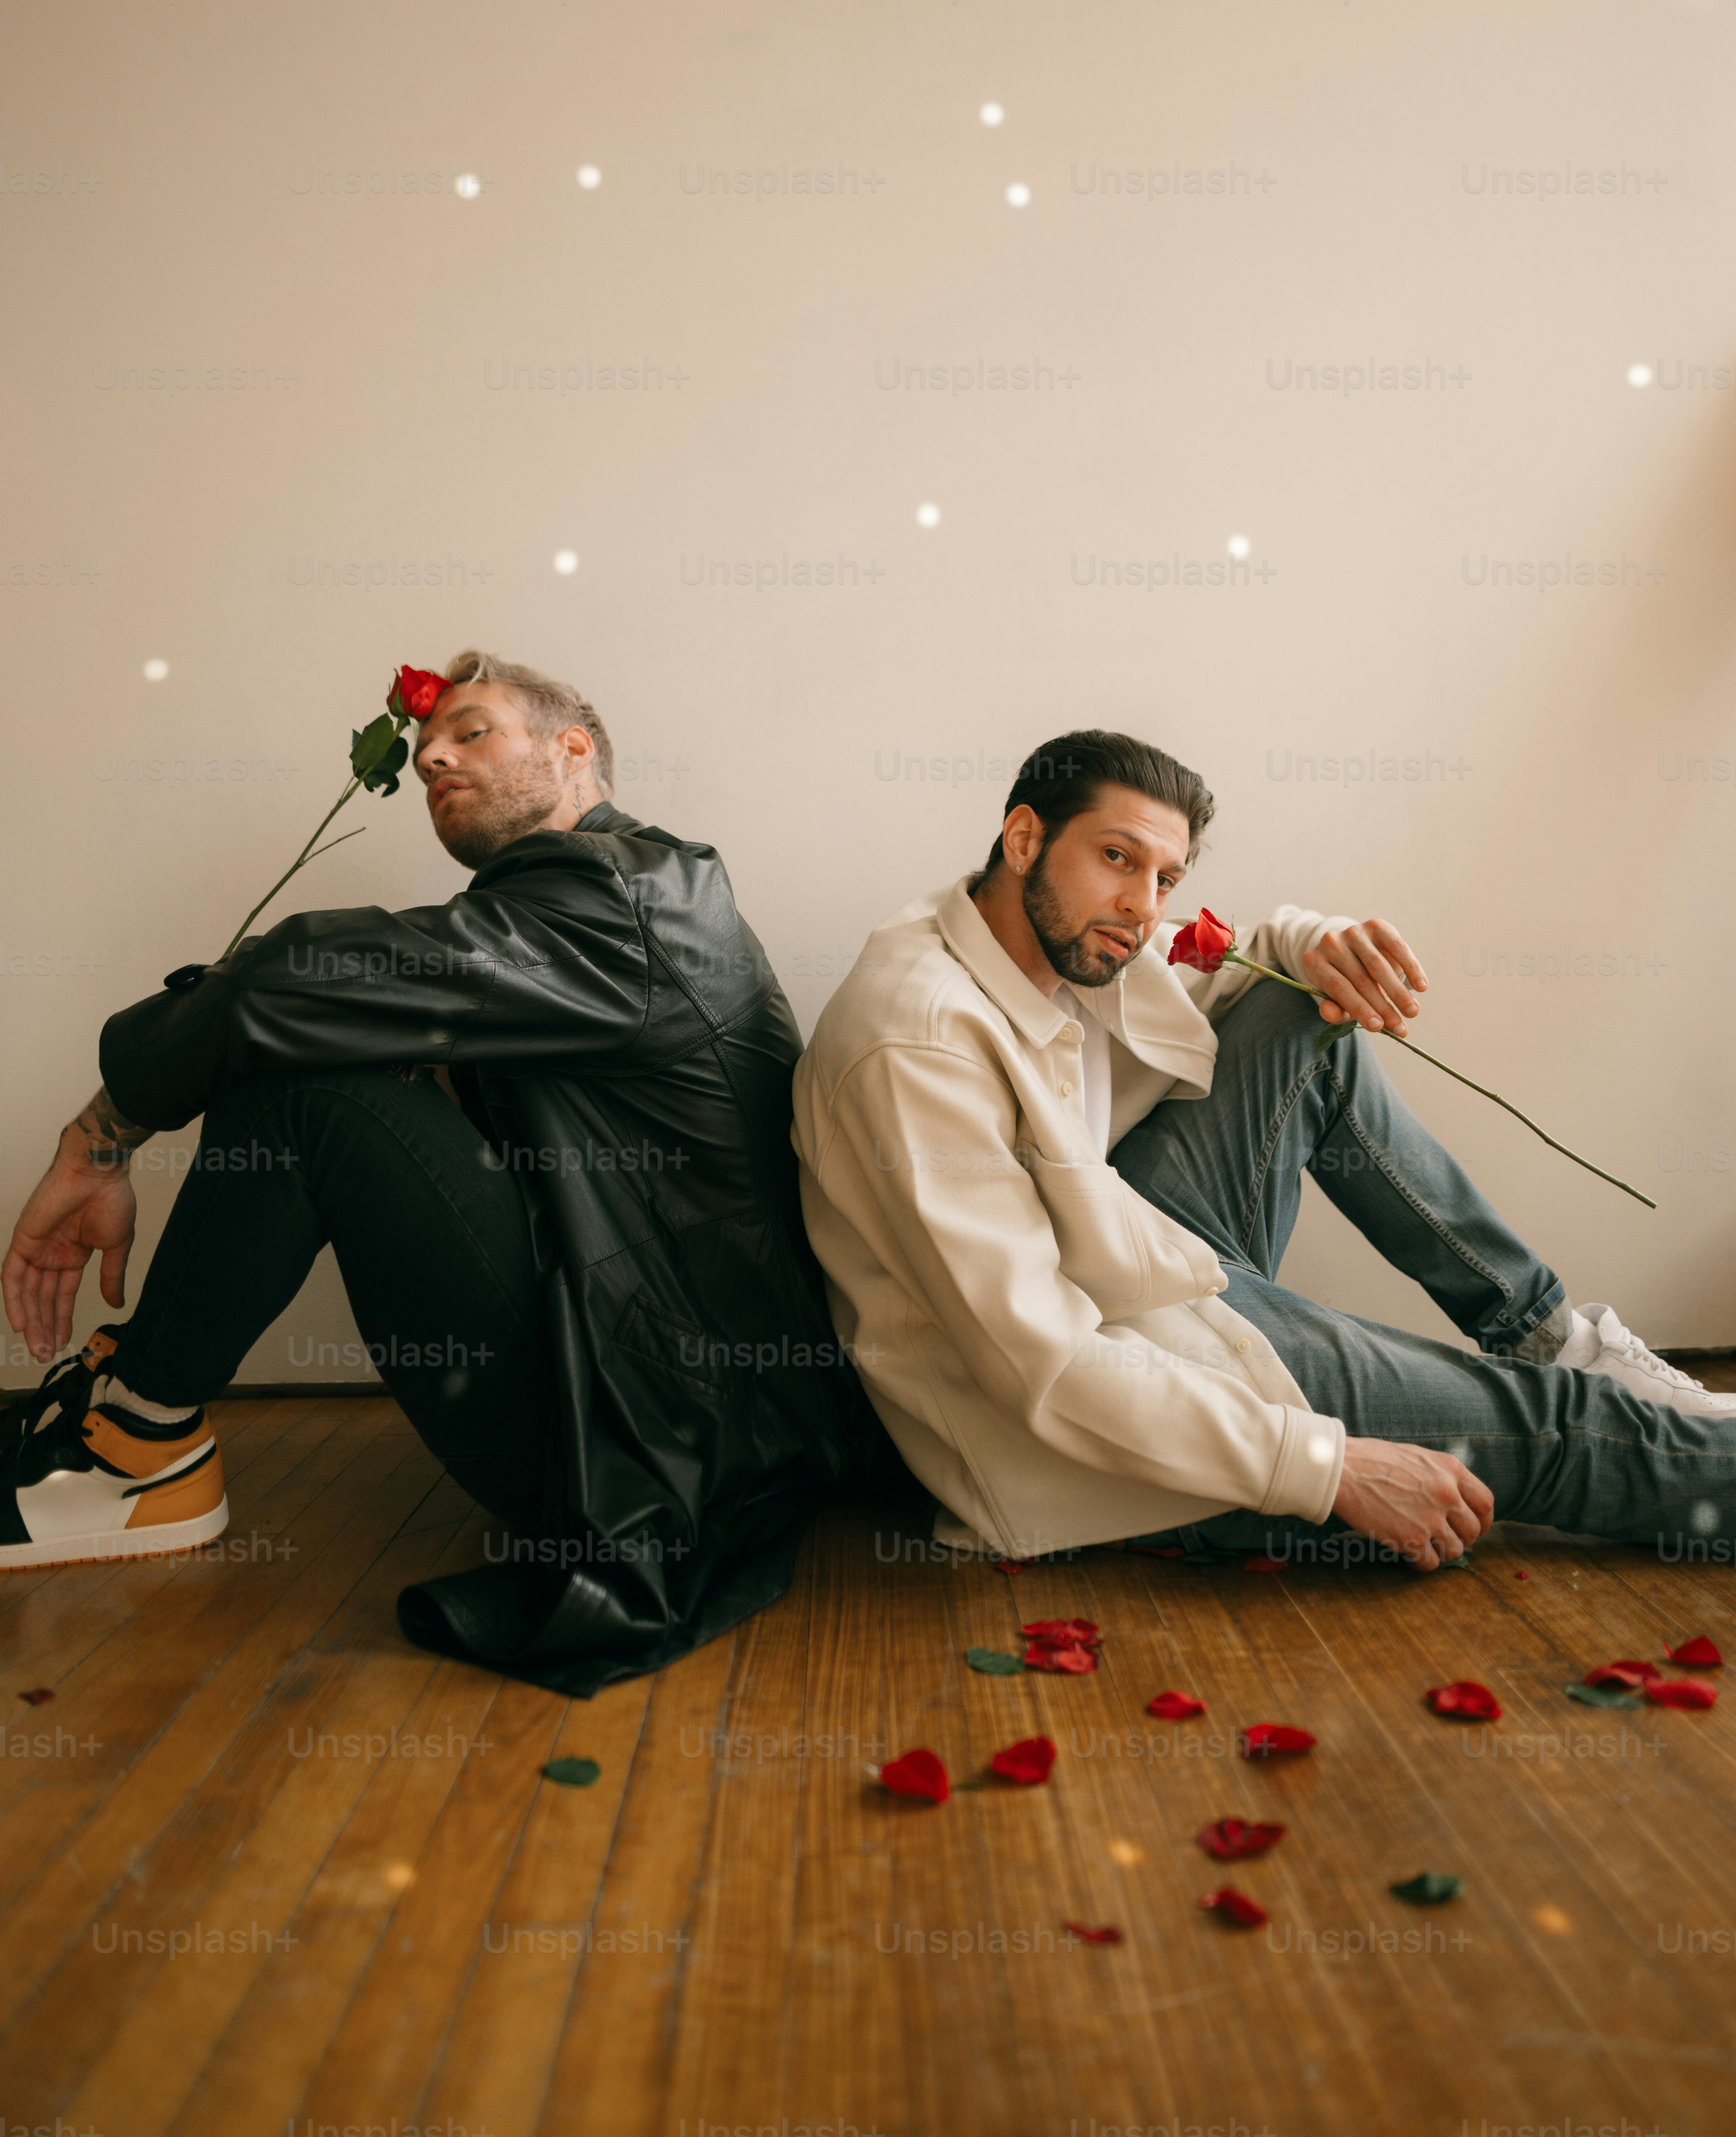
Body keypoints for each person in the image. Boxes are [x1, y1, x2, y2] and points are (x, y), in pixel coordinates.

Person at [0, 651, 885, 1689]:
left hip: (655, 1445)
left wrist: (98, 1138)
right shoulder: (589, 908)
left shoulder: (625, 898)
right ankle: (139, 1422)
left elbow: (294, 976)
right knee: (329, 1045)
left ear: (574, 752)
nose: (432, 758)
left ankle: (137, 1451)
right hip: (648, 1404)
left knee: (305, 1089)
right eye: (425, 752)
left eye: (472, 732)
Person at [792, 728, 1736, 1573]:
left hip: (1131, 1272)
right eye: (1115, 858)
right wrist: (1324, 1466)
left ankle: (1553, 1341)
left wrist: (1311, 941)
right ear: (1024, 837)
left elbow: (1224, 965)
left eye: (1164, 879)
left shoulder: (1047, 936)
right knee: (1553, 1432)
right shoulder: (916, 1043)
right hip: (1091, 1423)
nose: (1139, 907)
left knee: (1299, 1012)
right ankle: (1595, 1414)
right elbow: (1041, 1366)